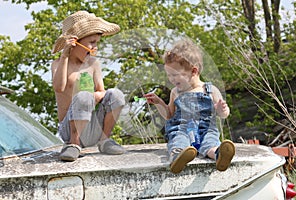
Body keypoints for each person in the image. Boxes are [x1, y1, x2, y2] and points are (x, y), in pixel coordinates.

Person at [144, 39, 235, 174]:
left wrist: (222, 110)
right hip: (182, 129)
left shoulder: (210, 90)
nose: (171, 79)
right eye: (169, 75)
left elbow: (224, 114)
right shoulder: (175, 92)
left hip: (206, 130)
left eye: (175, 75)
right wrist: (159, 103)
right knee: (179, 140)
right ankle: (178, 157)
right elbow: (169, 114)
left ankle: (219, 155)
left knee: (210, 142)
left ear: (193, 71)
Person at [51, 11, 126, 162]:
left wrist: (95, 96)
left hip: (91, 126)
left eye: (97, 42)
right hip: (69, 127)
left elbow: (101, 91)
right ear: (75, 41)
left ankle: (105, 140)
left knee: (116, 94)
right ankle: (73, 143)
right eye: (91, 42)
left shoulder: (93, 63)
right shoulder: (58, 64)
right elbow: (59, 88)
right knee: (83, 95)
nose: (95, 47)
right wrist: (64, 55)